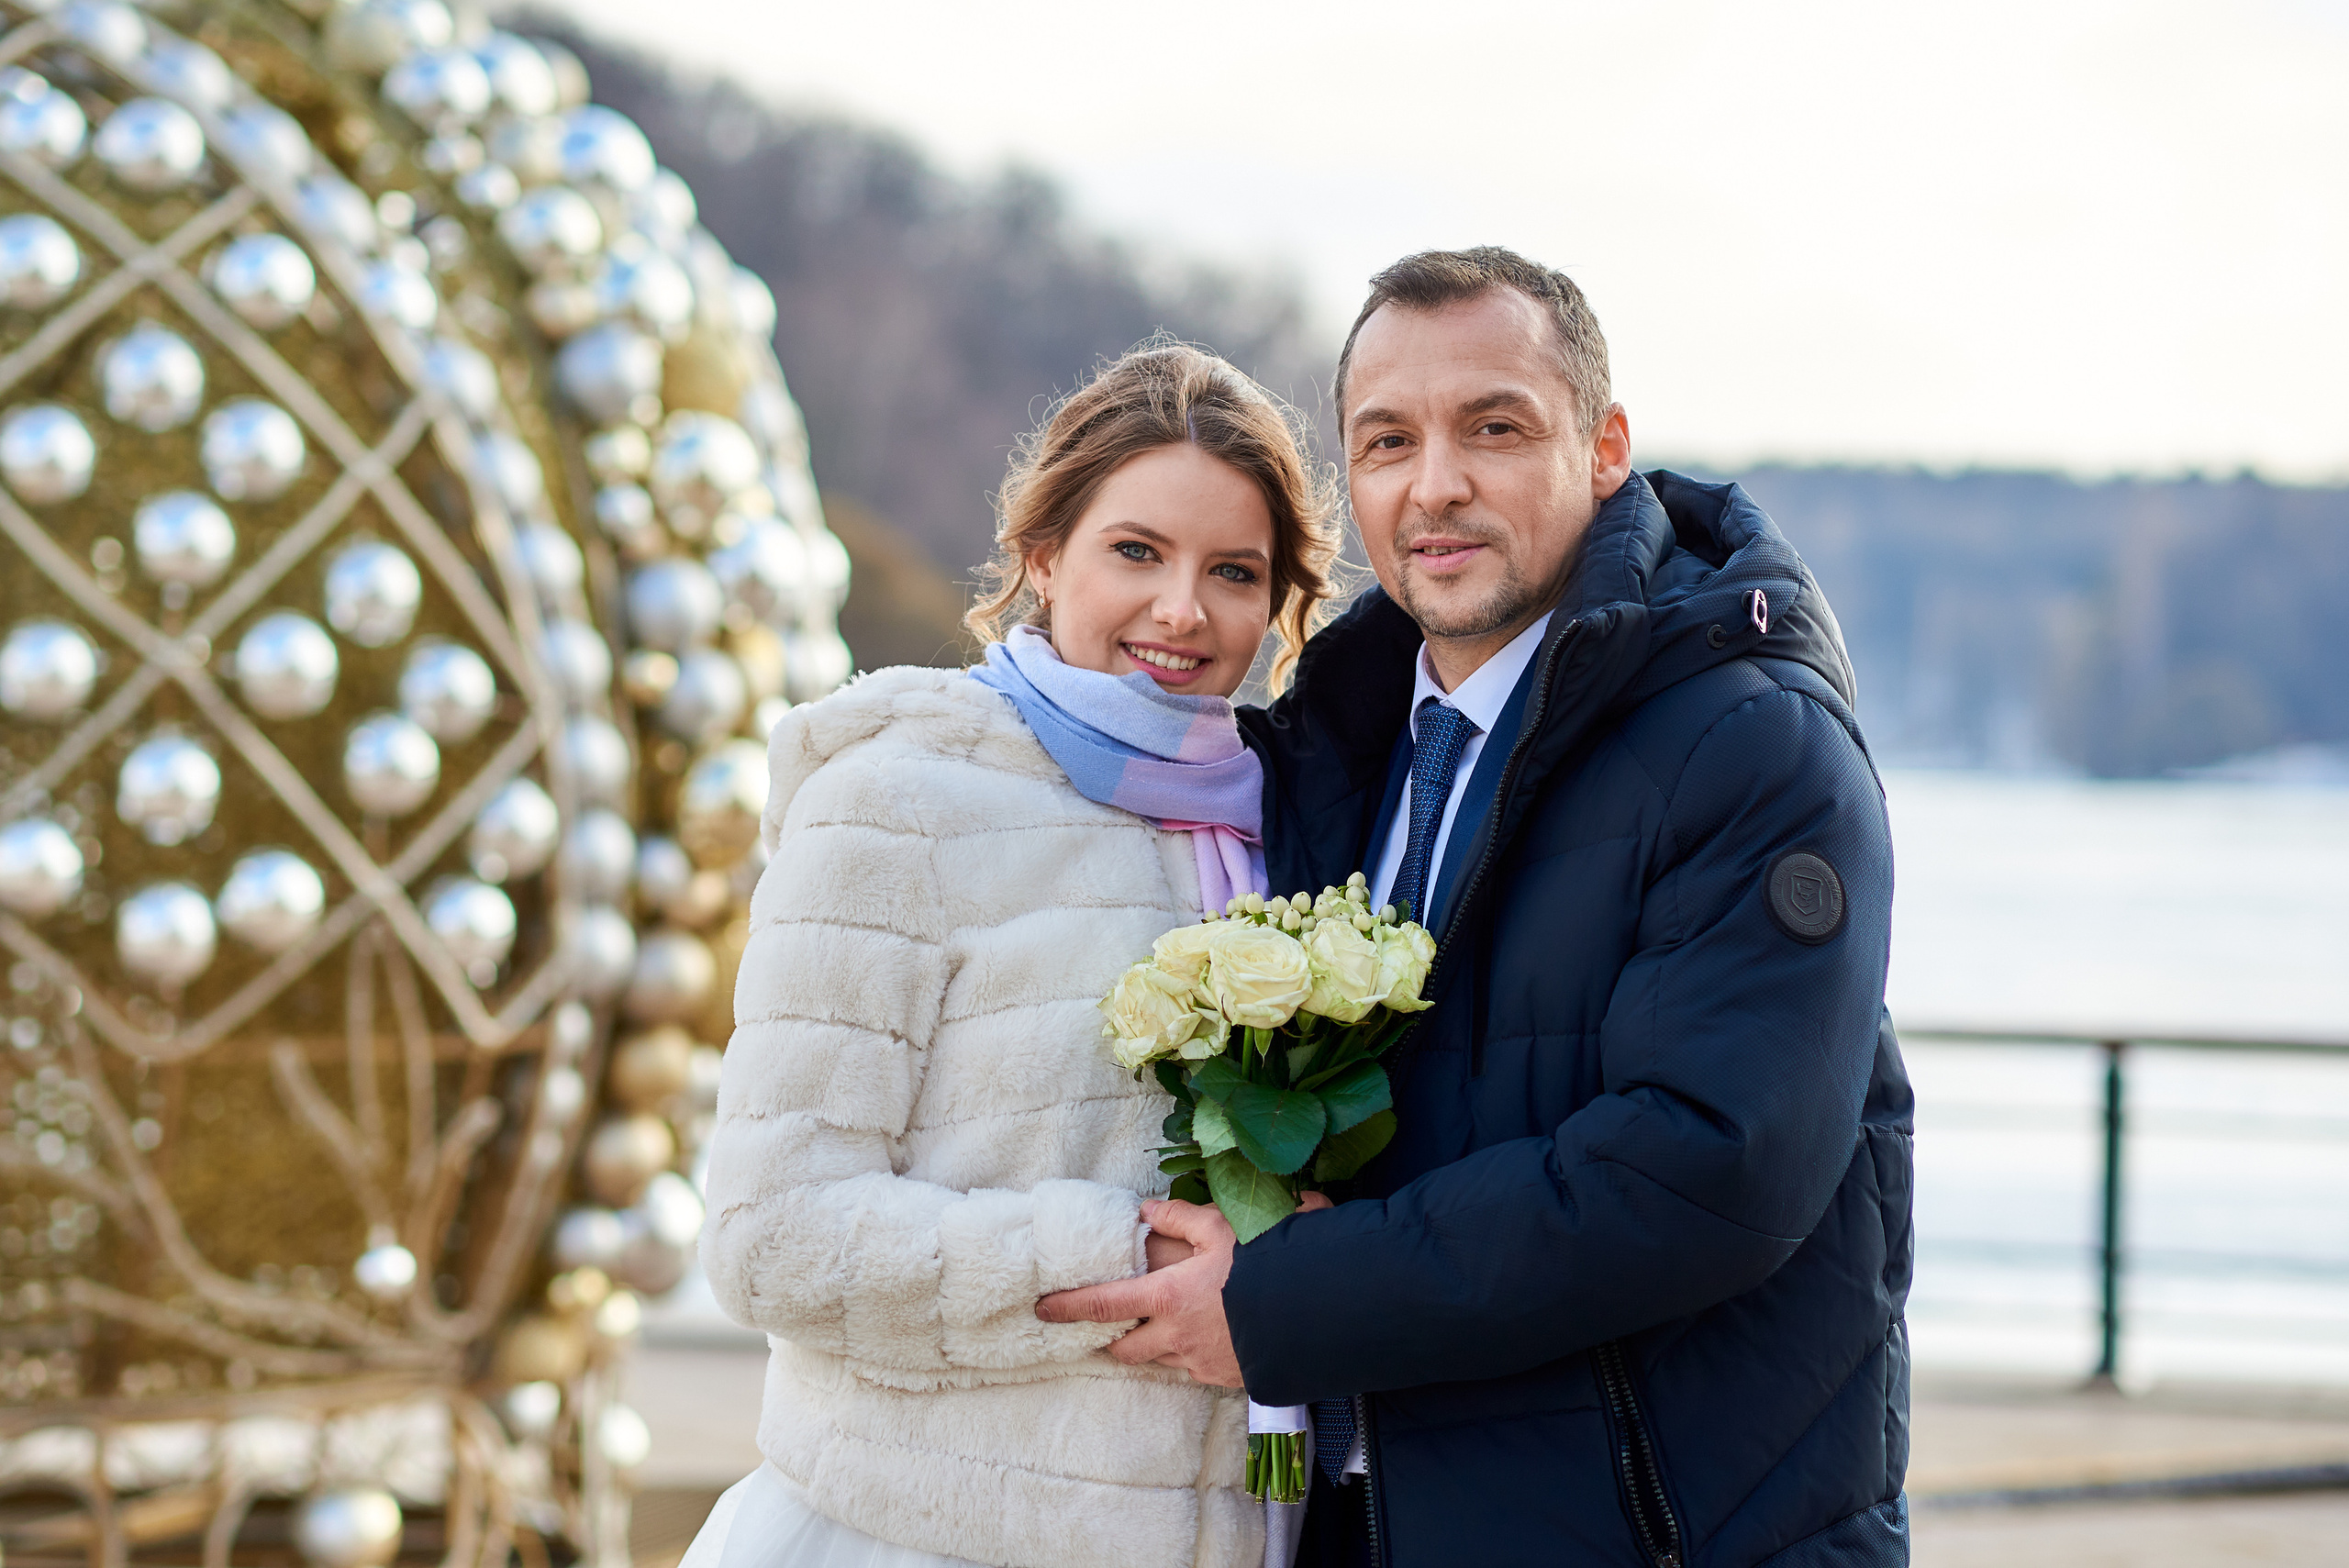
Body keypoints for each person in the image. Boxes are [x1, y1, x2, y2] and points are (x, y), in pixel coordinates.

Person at [1037, 249, 1914, 1566]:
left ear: (1605, 447)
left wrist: (1282, 1303)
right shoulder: (1333, 754)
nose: (1434, 483)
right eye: (1387, 441)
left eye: (1494, 429)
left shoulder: (1753, 744)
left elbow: (1709, 1167)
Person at [684, 341, 1341, 1568]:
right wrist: (1115, 1259)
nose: (1183, 610)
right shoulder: (899, 797)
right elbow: (770, 1235)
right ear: (1042, 555)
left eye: (1234, 571)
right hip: (923, 1535)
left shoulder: (1293, 829)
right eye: (1136, 551)